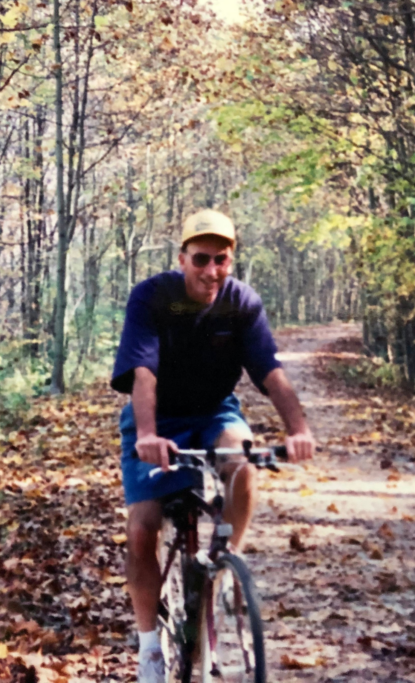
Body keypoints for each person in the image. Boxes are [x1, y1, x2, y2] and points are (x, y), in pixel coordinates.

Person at [110, 208, 315, 682]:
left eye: (220, 259)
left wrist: (298, 430)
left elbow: (271, 373)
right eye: (200, 259)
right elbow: (143, 372)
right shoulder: (153, 298)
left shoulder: (241, 303)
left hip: (214, 411)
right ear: (182, 258)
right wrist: (146, 434)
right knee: (142, 529)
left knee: (243, 459)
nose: (211, 270)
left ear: (231, 260)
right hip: (156, 417)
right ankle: (149, 652)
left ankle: (226, 561)